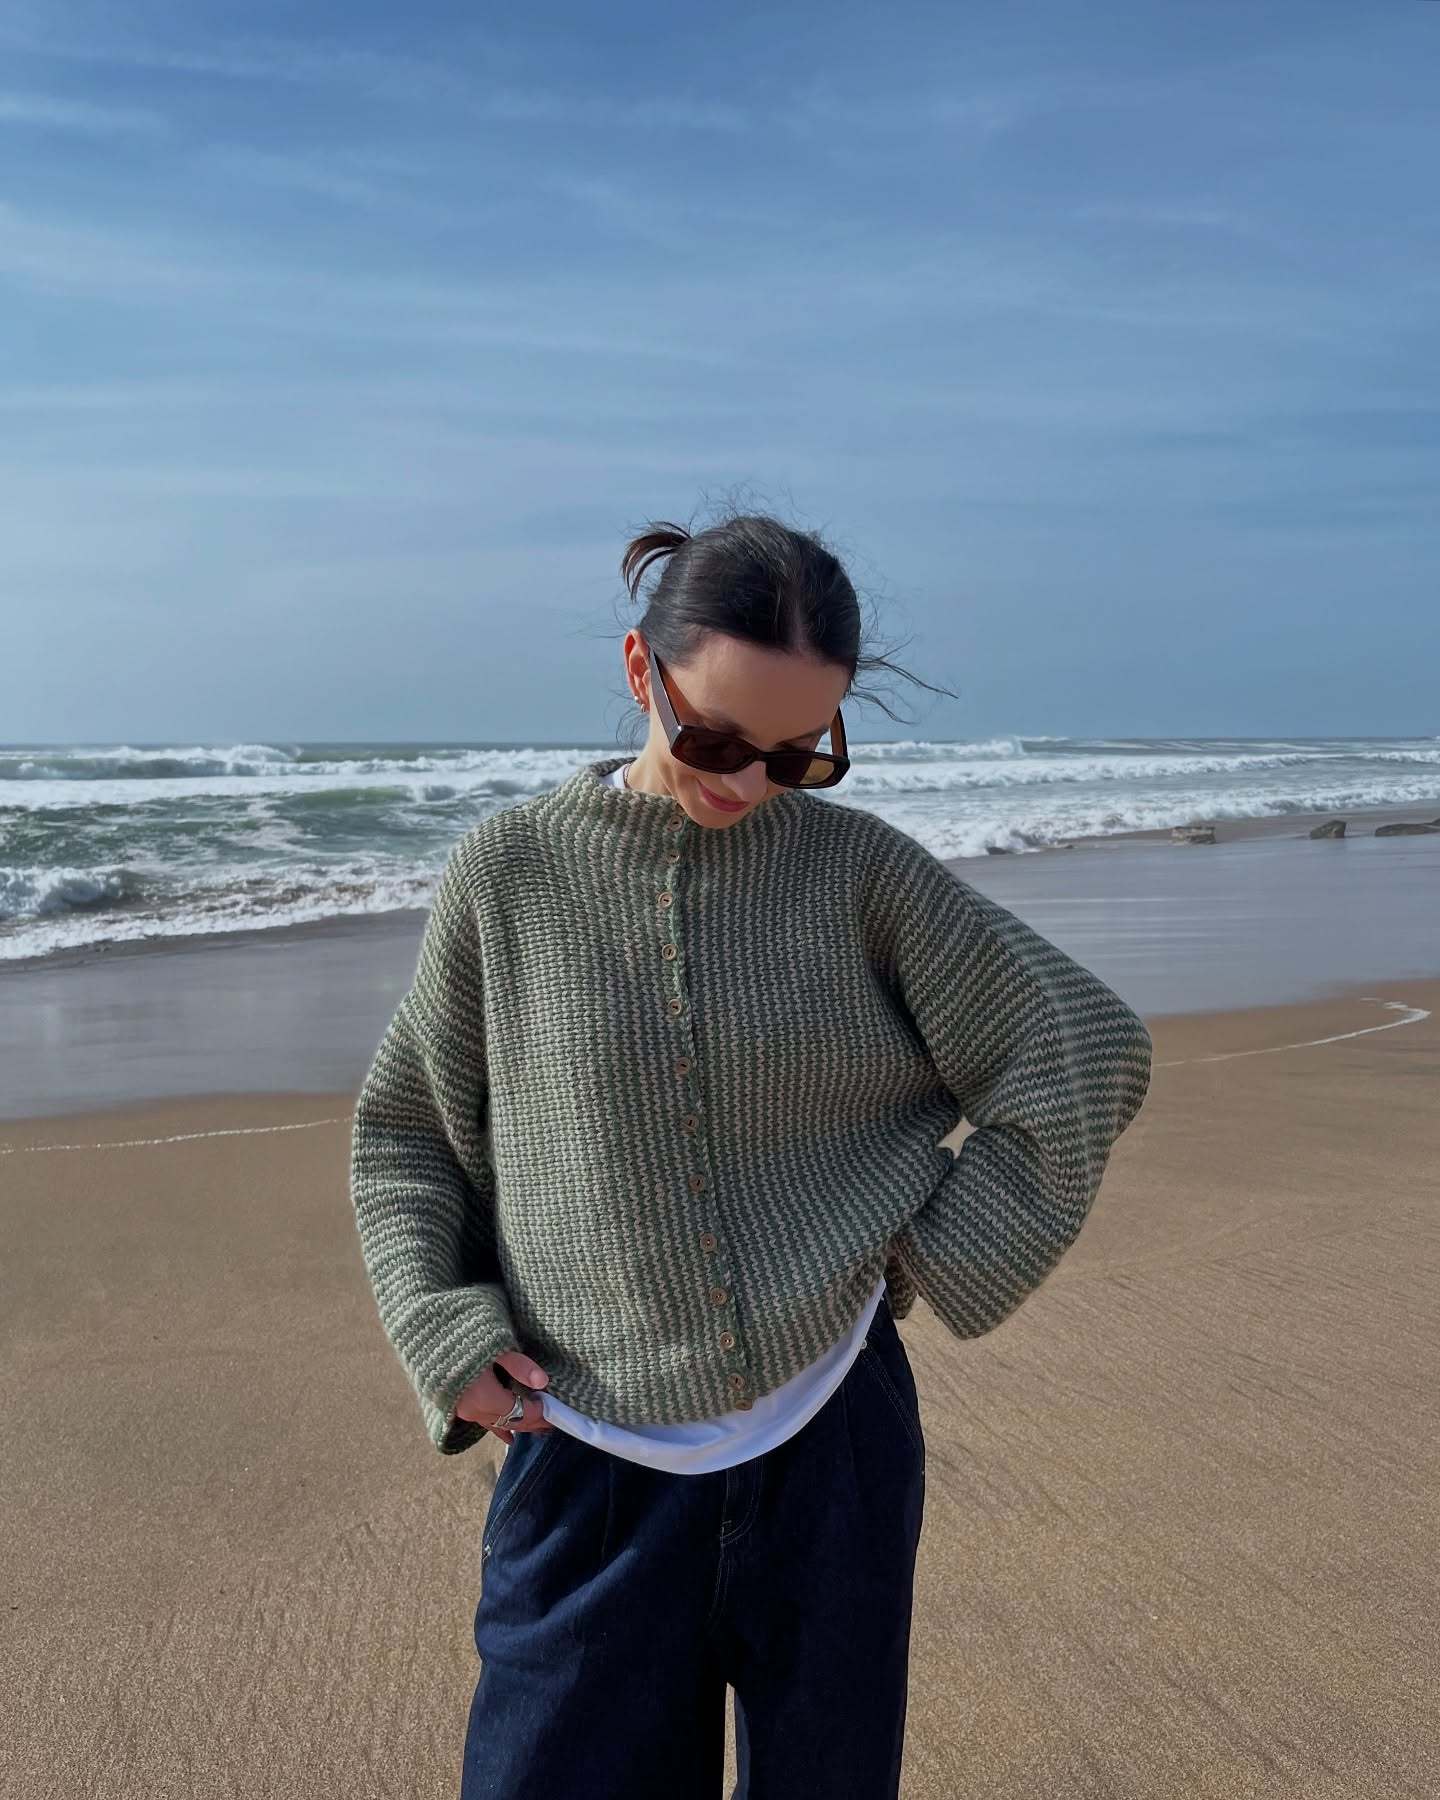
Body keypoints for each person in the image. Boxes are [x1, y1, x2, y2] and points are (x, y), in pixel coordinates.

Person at [348, 508, 1154, 1799]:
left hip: (833, 1456)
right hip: (587, 1473)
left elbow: (1080, 1052)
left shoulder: (861, 875)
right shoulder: (510, 876)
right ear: (639, 671)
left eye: (797, 755)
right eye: (716, 738)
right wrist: (440, 1332)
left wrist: (931, 1253)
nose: (747, 783)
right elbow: (408, 1136)